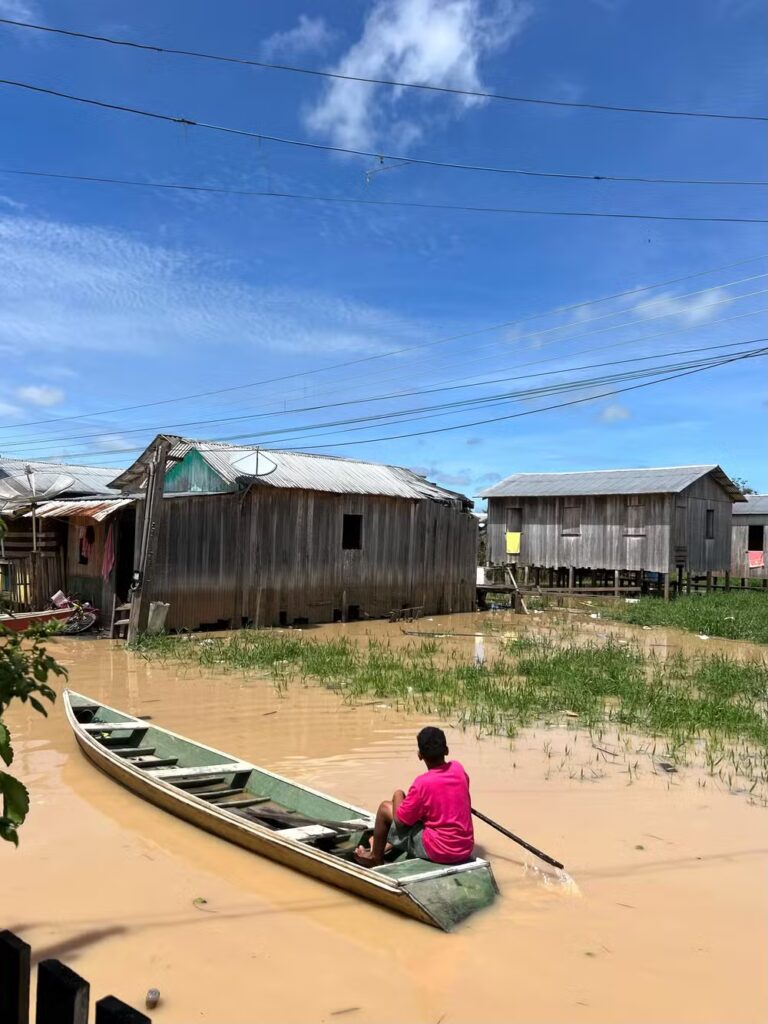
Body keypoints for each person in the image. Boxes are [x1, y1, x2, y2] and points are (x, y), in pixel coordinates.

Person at [354, 726, 474, 867]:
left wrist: (398, 794)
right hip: (465, 848)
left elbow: (400, 821)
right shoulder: (458, 769)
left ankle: (375, 857)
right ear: (446, 750)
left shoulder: (422, 783)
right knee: (418, 813)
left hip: (440, 851)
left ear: (419, 755)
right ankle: (387, 844)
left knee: (385, 808)